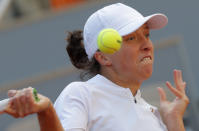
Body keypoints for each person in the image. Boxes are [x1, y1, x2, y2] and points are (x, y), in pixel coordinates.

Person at [2, 3, 189, 131]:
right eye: (131, 38)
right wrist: (47, 112)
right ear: (103, 57)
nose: (147, 45)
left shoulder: (155, 115)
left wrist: (174, 123)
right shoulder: (81, 94)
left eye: (147, 35)